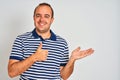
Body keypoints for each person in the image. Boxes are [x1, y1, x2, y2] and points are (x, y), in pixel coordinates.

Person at [8, 2, 94, 80]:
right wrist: (34, 57)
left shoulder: (62, 43)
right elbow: (11, 73)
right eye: (38, 15)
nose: (42, 20)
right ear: (34, 18)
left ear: (52, 20)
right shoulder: (21, 40)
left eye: (46, 16)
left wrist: (72, 60)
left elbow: (64, 76)